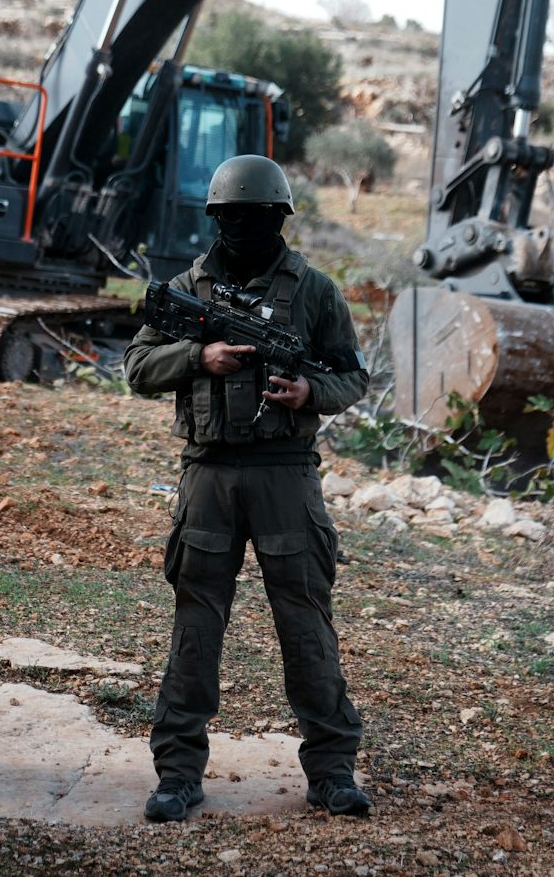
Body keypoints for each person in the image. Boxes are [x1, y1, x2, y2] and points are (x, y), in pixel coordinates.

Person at [123, 154, 372, 822]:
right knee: (196, 629)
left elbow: (354, 377)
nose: (243, 228)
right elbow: (138, 367)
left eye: (256, 218)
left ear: (278, 220)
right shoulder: (187, 290)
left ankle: (332, 771)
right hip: (209, 473)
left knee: (305, 624)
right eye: (231, 218)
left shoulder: (314, 291)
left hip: (286, 477)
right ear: (215, 220)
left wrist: (309, 390)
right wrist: (198, 357)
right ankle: (177, 775)